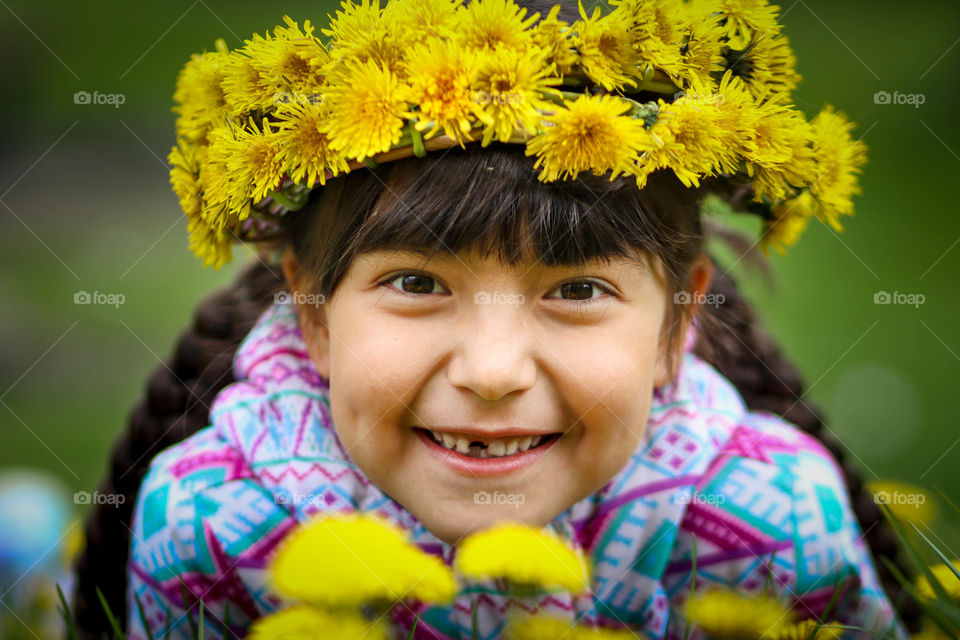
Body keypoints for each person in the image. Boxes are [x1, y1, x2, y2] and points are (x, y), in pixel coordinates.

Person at [70, 0, 918, 637]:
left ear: (677, 324)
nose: (492, 370)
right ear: (314, 318)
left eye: (578, 291)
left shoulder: (773, 534)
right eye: (416, 283)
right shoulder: (210, 533)